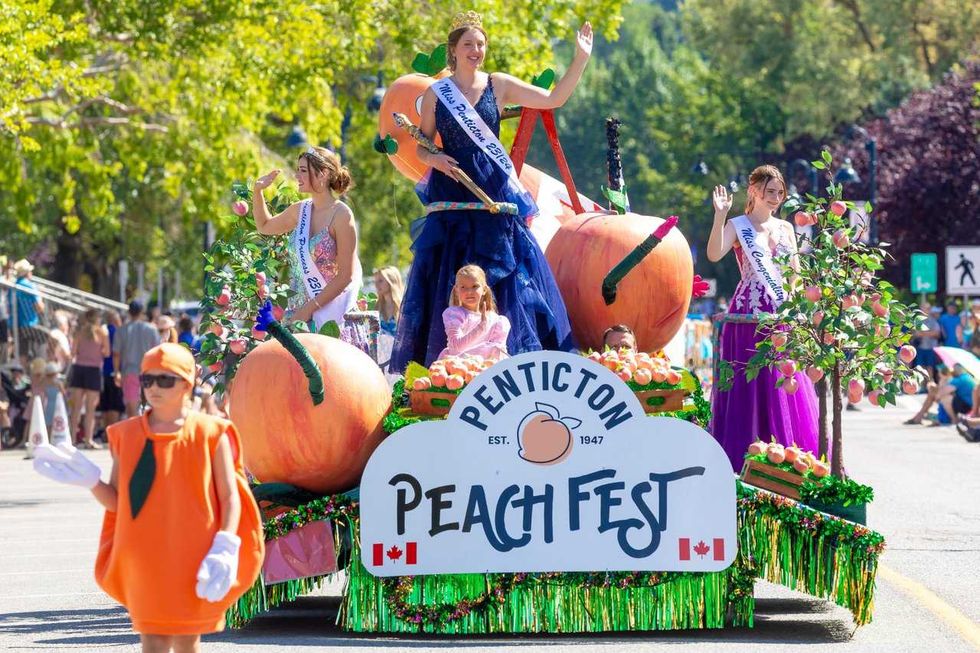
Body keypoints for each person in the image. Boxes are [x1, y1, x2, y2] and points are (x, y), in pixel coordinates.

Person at [389, 11, 589, 371]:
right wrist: (435, 161)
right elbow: (422, 146)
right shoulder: (437, 94)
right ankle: (449, 368)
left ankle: (511, 364)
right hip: (452, 190)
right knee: (446, 274)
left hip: (492, 191)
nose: (476, 50)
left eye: (481, 44)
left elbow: (555, 98)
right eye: (468, 44)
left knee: (504, 276)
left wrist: (580, 58)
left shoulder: (499, 84)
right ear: (454, 50)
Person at [32, 343, 264, 652]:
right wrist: (92, 482)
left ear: (186, 382)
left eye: (164, 380)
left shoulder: (212, 433)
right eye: (147, 380)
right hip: (144, 558)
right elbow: (120, 502)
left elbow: (230, 495)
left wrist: (226, 544)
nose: (153, 388)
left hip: (194, 554)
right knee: (151, 640)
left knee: (186, 639)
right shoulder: (126, 435)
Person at [706, 165, 819, 471]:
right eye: (771, 192)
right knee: (749, 382)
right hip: (747, 313)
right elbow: (714, 253)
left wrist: (797, 309)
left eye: (780, 193)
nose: (776, 198)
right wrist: (719, 215)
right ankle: (743, 458)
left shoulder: (785, 228)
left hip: (780, 313)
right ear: (754, 190)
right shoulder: (738, 224)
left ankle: (789, 460)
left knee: (782, 382)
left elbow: (794, 273)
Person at [252, 147, 362, 332]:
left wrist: (308, 310)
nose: (296, 175)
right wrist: (257, 192)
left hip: (332, 316)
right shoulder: (300, 211)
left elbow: (345, 276)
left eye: (303, 170)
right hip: (297, 314)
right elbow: (264, 226)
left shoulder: (342, 215)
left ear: (323, 174)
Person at [437, 265, 510, 362]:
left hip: (483, 370)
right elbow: (456, 347)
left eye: (474, 286)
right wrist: (480, 327)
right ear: (456, 290)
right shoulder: (454, 314)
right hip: (457, 368)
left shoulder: (496, 321)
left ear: (484, 289)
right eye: (463, 287)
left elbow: (498, 355)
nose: (469, 292)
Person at [68, 309, 110, 449]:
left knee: (76, 408)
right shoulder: (102, 333)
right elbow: (107, 352)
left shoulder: (79, 333)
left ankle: (72, 438)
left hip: (79, 368)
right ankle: (88, 439)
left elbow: (73, 353)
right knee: (90, 409)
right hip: (93, 370)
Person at [113, 301, 160, 417]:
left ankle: (135, 433)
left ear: (129, 312)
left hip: (130, 371)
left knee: (131, 408)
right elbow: (158, 350)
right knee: (152, 406)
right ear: (142, 312)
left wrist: (116, 372)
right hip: (149, 372)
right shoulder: (152, 330)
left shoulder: (121, 330)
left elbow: (116, 354)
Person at [905, 364, 975, 426]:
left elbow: (941, 393)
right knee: (935, 394)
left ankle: (954, 420)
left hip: (967, 406)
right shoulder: (965, 377)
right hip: (967, 404)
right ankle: (919, 416)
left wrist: (935, 387)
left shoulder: (959, 379)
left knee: (945, 398)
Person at [8, 259, 47, 366]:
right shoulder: (29, 286)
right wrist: (41, 294)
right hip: (28, 325)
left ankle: (22, 374)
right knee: (49, 337)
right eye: (30, 271)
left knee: (22, 352)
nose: (32, 273)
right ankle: (41, 366)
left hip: (14, 325)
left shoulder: (13, 286)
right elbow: (40, 307)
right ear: (26, 273)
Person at [99, 310, 126, 434]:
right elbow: (118, 353)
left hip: (102, 372)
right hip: (115, 371)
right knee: (114, 404)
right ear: (116, 320)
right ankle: (113, 433)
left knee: (105, 404)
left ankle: (106, 432)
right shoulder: (118, 333)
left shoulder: (101, 332)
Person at [374, 266, 404, 336]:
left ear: (392, 281)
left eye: (380, 281)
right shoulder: (377, 307)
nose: (376, 285)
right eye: (375, 281)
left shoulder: (404, 307)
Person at [916, 305, 942, 381]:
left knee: (930, 367)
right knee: (920, 367)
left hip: (931, 348)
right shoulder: (918, 320)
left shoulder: (933, 320)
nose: (925, 310)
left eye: (927, 309)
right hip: (920, 347)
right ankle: (922, 385)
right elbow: (917, 334)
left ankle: (929, 384)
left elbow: (937, 334)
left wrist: (923, 333)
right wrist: (930, 332)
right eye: (923, 308)